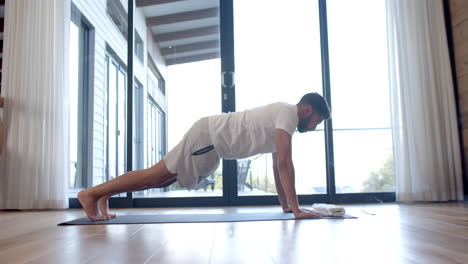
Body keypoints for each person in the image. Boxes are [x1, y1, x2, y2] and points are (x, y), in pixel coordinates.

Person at [78, 92, 331, 221]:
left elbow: (278, 164)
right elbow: (286, 163)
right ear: (307, 110)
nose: (314, 127)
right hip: (209, 136)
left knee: (161, 179)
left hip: (211, 139)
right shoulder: (288, 113)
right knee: (156, 176)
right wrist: (297, 209)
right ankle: (90, 194)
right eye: (316, 121)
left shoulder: (285, 120)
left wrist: (286, 206)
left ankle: (104, 194)